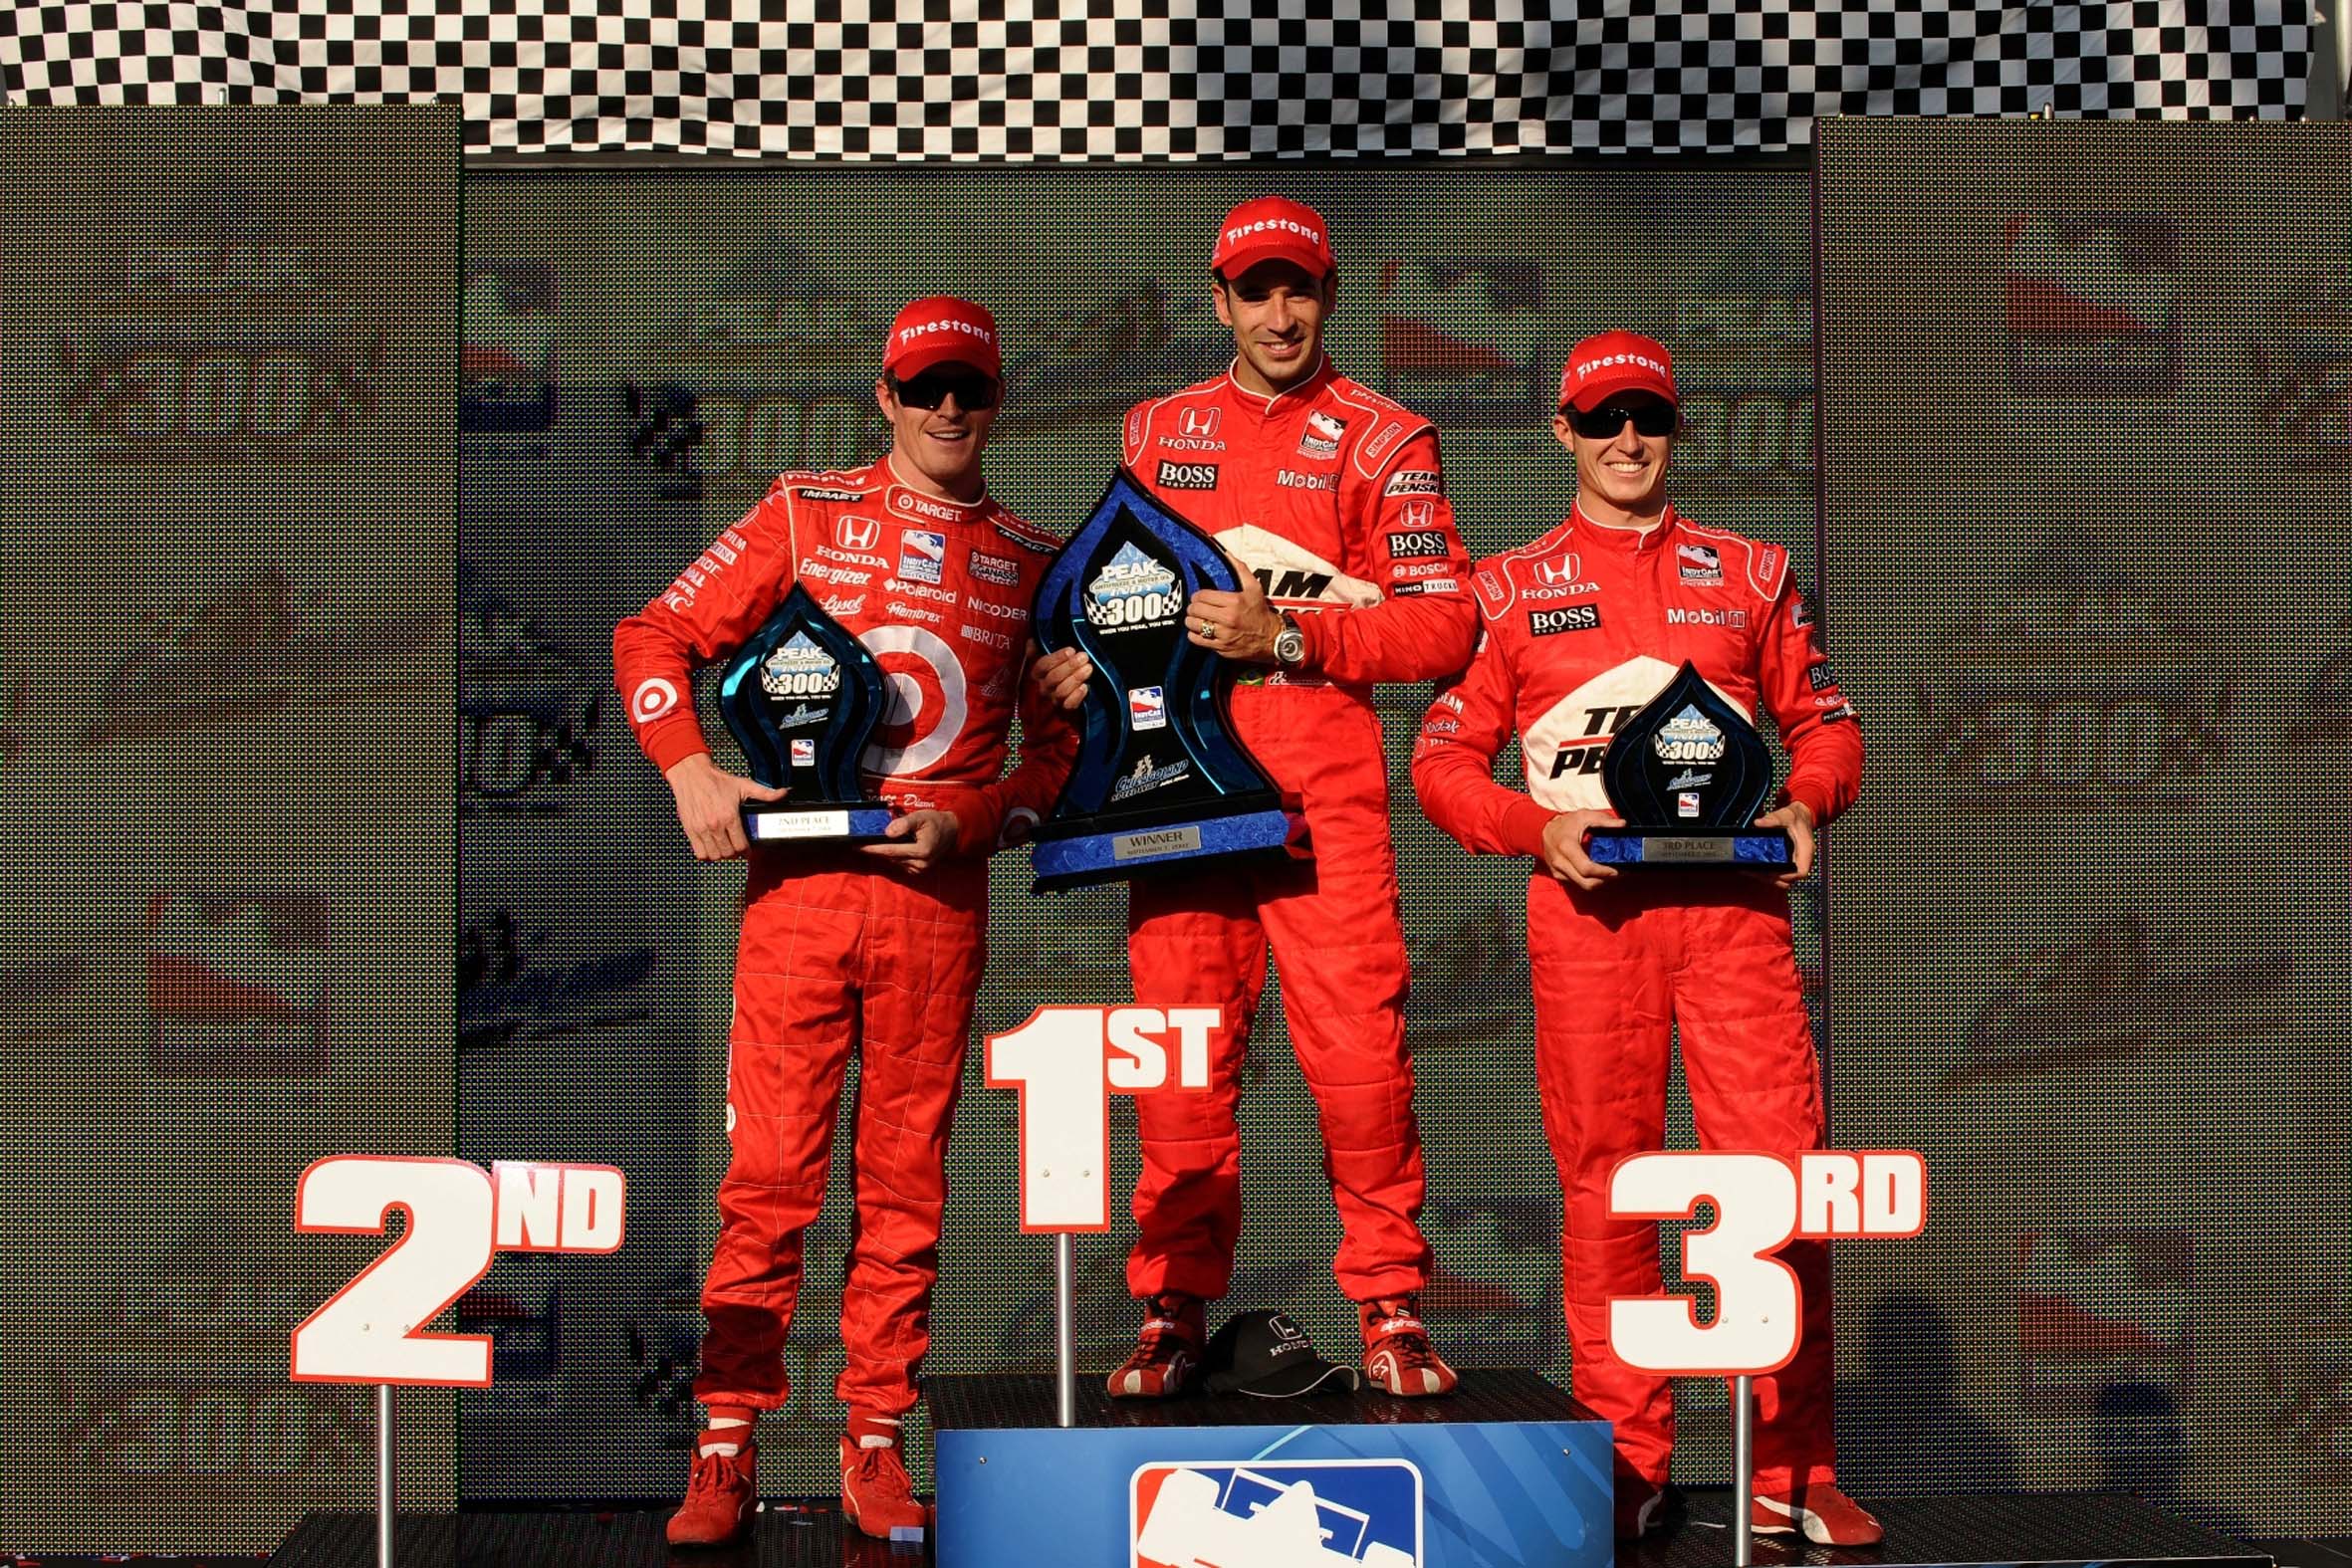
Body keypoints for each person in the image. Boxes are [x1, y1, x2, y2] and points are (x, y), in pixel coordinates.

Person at [1408, 331, 1880, 1545]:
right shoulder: (1505, 589)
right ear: (1561, 431)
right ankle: (1624, 1458)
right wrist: (1534, 828)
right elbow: (1440, 761)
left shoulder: (1752, 574)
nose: (1627, 439)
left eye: (1649, 418)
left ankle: (1790, 1468)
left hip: (1734, 921)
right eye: (1603, 418)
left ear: (1676, 430)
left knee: (1776, 1186)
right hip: (1590, 922)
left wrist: (1804, 802)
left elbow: (1828, 727)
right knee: (1606, 1186)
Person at [613, 297, 1070, 1547]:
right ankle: (725, 1440)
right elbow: (653, 634)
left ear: (996, 401)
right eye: (923, 388)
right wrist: (687, 768)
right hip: (800, 903)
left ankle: (875, 1434)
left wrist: (972, 819)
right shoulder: (806, 512)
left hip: (934, 910)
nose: (946, 409)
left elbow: (1059, 763)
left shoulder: (1036, 562)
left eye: (968, 388)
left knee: (905, 1186)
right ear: (884, 396)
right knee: (768, 1180)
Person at [1034, 195, 1475, 1399]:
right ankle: (1171, 1309)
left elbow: (1444, 625)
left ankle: (1390, 1306)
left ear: (1330, 295)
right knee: (1181, 1058)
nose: (1280, 315)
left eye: (1299, 289)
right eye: (1255, 291)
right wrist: (1073, 673)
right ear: (1218, 300)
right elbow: (1114, 603)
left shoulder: (1384, 436)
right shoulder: (1154, 429)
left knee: (1360, 1059)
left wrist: (1289, 635)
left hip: (1319, 797)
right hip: (1175, 790)